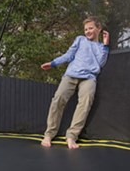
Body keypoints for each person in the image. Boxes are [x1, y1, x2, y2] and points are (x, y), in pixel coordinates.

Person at [40, 16, 110, 149]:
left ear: (98, 29)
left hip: (89, 77)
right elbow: (68, 55)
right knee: (58, 99)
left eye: (90, 28)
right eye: (85, 29)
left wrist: (106, 45)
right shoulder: (80, 39)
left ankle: (72, 136)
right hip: (71, 75)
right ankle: (49, 134)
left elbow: (100, 64)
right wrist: (53, 63)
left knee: (86, 102)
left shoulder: (101, 47)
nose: (87, 31)